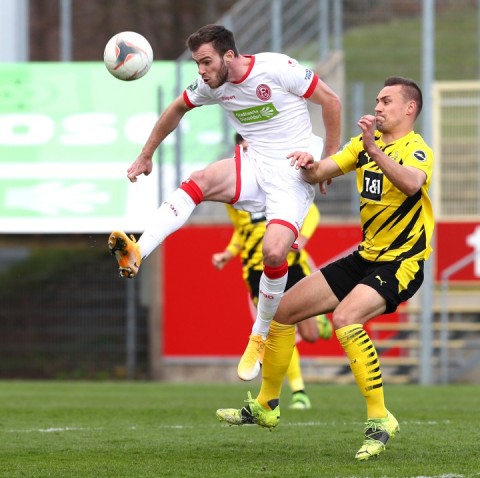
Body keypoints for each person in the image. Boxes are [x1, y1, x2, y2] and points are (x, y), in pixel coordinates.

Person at [107, 24, 341, 382]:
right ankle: (139, 250)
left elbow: (331, 101)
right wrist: (146, 155)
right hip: (255, 163)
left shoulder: (277, 68)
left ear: (229, 56)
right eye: (197, 64)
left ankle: (259, 335)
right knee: (199, 180)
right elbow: (175, 109)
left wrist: (330, 162)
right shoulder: (211, 85)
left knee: (273, 254)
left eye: (206, 62)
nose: (201, 71)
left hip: (293, 173)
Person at [216, 77, 434, 461]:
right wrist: (306, 163)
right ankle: (267, 406)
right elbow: (318, 173)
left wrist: (373, 150)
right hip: (366, 256)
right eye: (377, 100)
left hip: (402, 262)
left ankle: (380, 419)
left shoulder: (415, 149)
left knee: (345, 319)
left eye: (386, 101)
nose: (378, 107)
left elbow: (412, 184)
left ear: (409, 108)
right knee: (282, 311)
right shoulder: (362, 146)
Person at [211, 134, 333, 410]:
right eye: (243, 147)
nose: (248, 151)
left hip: (291, 262)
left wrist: (302, 239)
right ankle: (298, 391)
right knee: (276, 329)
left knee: (311, 335)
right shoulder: (235, 190)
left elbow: (312, 213)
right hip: (256, 269)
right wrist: (229, 253)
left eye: (251, 145)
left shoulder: (280, 175)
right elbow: (241, 231)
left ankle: (319, 320)